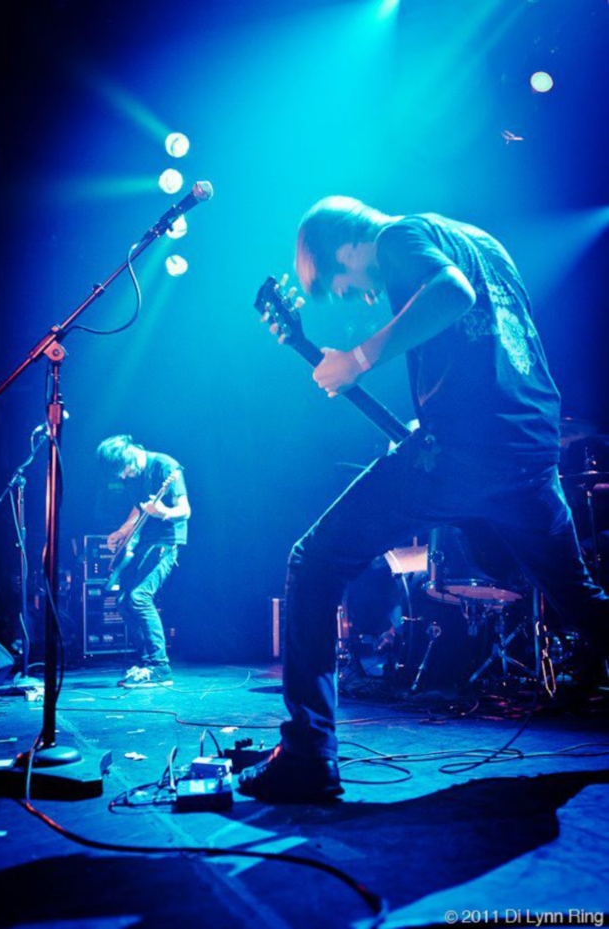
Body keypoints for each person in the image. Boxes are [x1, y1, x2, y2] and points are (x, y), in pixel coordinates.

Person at [238, 196, 609, 803]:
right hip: (530, 447)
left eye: (343, 284)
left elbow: (452, 293)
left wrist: (359, 359)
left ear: (346, 247)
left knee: (314, 561)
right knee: (580, 597)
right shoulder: (480, 239)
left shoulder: (397, 237)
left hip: (466, 453)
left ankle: (308, 754)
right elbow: (489, 348)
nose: (361, 297)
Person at [96, 434, 191, 688]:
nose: (124, 476)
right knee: (123, 601)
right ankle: (148, 662)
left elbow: (185, 510)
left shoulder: (165, 466)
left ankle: (160, 667)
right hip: (145, 541)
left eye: (124, 470)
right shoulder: (132, 476)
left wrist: (164, 512)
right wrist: (121, 531)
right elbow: (138, 509)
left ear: (130, 455)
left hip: (167, 541)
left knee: (139, 597)